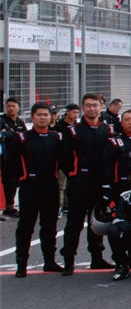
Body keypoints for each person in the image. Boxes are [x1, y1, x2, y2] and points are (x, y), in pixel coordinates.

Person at [10, 103, 73, 277]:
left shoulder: (56, 137)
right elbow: (11, 162)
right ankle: (21, 264)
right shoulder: (22, 138)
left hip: (50, 186)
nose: (43, 118)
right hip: (29, 186)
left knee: (49, 226)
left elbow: (66, 162)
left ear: (51, 117)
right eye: (39, 115)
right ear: (32, 117)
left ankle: (49, 262)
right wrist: (20, 178)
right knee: (25, 226)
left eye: (46, 115)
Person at [61, 93, 116, 272]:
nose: (92, 108)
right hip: (79, 183)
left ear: (101, 107)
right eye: (88, 105)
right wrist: (74, 174)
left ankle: (97, 258)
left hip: (100, 183)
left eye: (95, 105)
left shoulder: (108, 130)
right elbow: (65, 158)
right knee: (74, 223)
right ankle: (69, 260)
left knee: (96, 222)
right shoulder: (73, 130)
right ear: (82, 108)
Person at [0, 97, 27, 218]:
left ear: (18, 108)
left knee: (15, 182)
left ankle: (10, 206)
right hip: (5, 157)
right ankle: (9, 207)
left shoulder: (20, 122)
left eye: (13, 106)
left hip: (17, 157)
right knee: (8, 182)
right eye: (9, 106)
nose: (11, 108)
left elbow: (24, 136)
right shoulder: (2, 120)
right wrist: (10, 134)